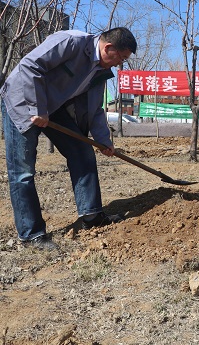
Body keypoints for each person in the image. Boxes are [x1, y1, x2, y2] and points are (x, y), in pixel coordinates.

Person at [1, 27, 137, 250]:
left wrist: (104, 141)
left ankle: (92, 215)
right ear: (108, 47)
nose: (119, 64)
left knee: (82, 152)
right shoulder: (71, 43)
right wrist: (37, 107)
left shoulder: (100, 71)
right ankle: (31, 234)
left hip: (51, 107)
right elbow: (29, 65)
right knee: (23, 172)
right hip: (22, 101)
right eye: (121, 58)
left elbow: (95, 110)